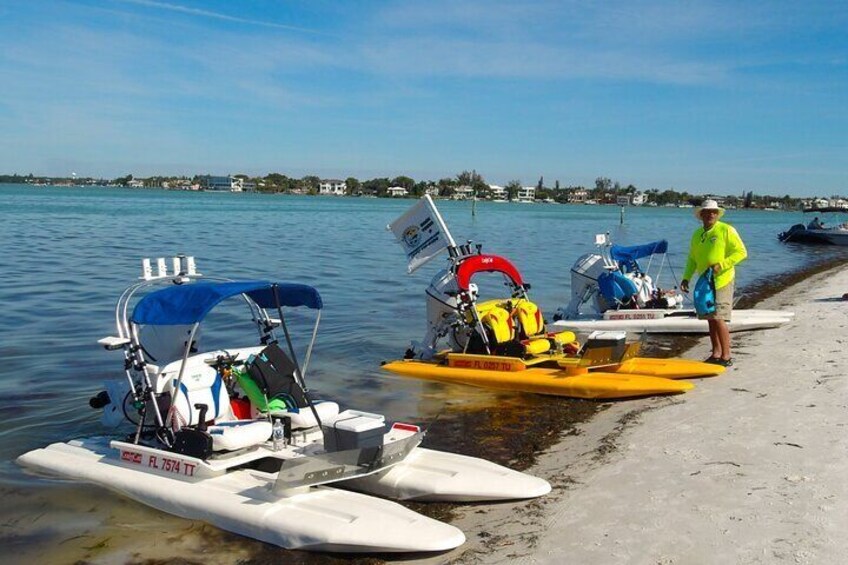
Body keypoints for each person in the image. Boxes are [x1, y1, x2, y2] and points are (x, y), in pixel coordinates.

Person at [680, 199, 747, 367]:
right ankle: (716, 353)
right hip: (705, 281)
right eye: (707, 212)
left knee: (719, 317)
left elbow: (741, 252)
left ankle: (726, 356)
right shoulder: (697, 234)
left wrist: (721, 265)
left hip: (722, 279)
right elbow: (692, 259)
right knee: (709, 318)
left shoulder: (726, 230)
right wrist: (686, 277)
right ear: (701, 215)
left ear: (717, 214)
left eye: (714, 212)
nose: (711, 214)